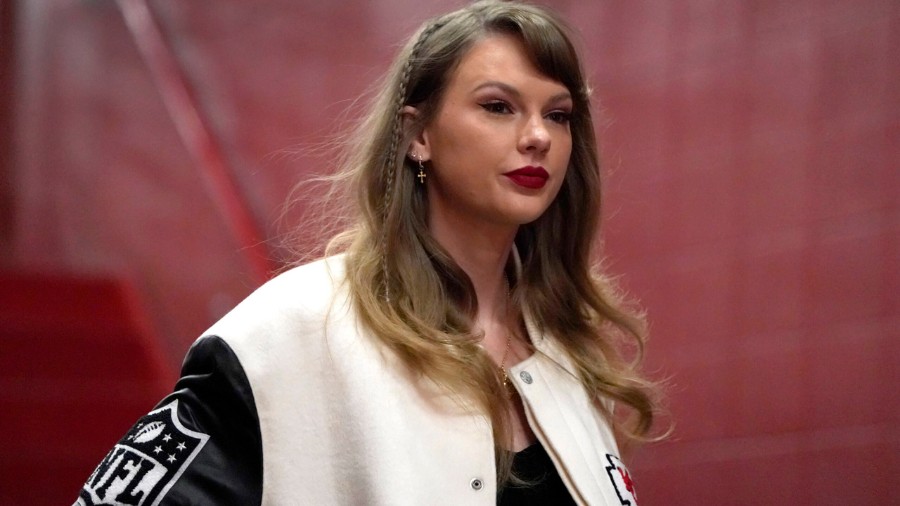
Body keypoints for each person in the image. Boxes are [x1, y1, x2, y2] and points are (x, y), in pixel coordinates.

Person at [75, 1, 662, 504]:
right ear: (418, 135)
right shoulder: (295, 330)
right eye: (498, 106)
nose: (538, 136)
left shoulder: (567, 348)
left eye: (558, 115)